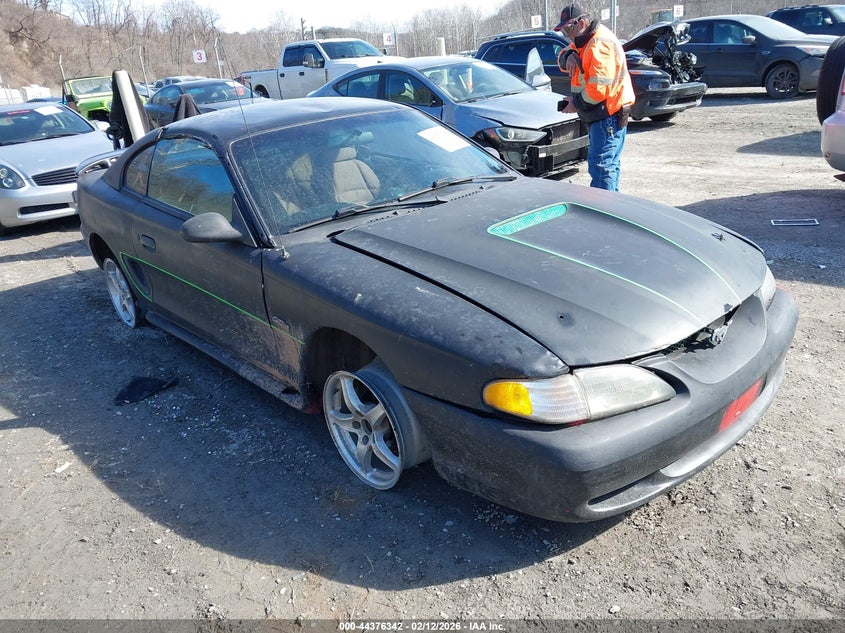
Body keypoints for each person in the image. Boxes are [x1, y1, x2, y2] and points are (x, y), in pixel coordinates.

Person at [555, 3, 635, 191]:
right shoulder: (585, 39)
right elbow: (561, 55)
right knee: (608, 167)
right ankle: (611, 210)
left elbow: (599, 88)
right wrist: (569, 56)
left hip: (607, 116)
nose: (568, 36)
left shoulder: (599, 43)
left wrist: (576, 103)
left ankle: (604, 215)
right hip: (605, 114)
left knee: (601, 168)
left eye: (568, 29)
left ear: (581, 23)